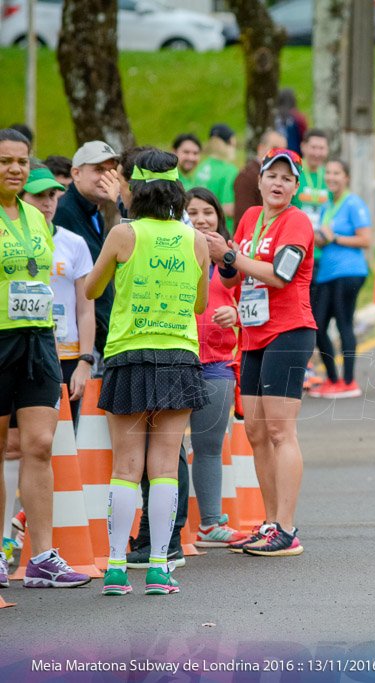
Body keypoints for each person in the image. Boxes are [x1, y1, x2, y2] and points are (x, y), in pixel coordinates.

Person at [85, 149, 210, 596]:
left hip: (129, 354)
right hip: (178, 355)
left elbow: (91, 288)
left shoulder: (123, 234)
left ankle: (116, 568)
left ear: (134, 190)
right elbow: (200, 304)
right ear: (178, 190)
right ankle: (160, 566)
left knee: (126, 466)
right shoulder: (194, 240)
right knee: (164, 468)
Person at [204, 147, 316, 557]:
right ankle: (270, 522)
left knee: (279, 431)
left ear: (296, 187)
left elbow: (282, 276)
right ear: (260, 180)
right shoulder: (249, 219)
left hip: (289, 330)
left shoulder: (297, 221)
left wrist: (231, 256)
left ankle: (286, 527)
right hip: (252, 333)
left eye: (288, 179)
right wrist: (224, 260)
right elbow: (235, 281)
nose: (278, 184)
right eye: (273, 175)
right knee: (255, 432)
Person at [0, 128, 92, 589]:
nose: (15, 169)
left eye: (21, 161)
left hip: (39, 341)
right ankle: (0, 553)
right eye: (5, 161)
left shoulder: (36, 220)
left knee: (39, 444)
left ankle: (41, 558)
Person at [184, 188, 248, 547]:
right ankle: (163, 526)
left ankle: (210, 525)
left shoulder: (232, 258)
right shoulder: (174, 250)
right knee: (165, 446)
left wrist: (236, 315)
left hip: (217, 363)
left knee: (208, 444)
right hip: (175, 360)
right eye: (192, 212)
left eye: (207, 212)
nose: (201, 218)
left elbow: (253, 303)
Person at [20, 167, 95, 427]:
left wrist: (85, 362)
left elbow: (86, 310)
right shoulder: (7, 241)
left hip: (67, 357)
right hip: (21, 350)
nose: (47, 203)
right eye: (38, 195)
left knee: (62, 441)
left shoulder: (74, 243)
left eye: (52, 195)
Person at [308, 159, 370, 399]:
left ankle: (349, 381)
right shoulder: (326, 206)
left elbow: (365, 239)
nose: (331, 177)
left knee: (344, 323)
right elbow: (325, 237)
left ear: (347, 177)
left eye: (337, 173)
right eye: (329, 173)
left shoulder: (354, 203)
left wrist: (335, 239)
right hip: (326, 273)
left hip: (349, 272)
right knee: (318, 326)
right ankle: (332, 379)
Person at [54, 141, 120, 359]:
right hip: (73, 344)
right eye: (98, 170)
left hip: (96, 336)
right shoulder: (63, 212)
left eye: (111, 170)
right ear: (76, 173)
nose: (107, 177)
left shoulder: (94, 214)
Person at [233, 130, 287, 227]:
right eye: (274, 148)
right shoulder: (248, 176)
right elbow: (243, 219)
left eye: (283, 150)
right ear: (261, 148)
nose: (279, 154)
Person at [194, 123, 238, 228]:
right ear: (230, 143)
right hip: (222, 229)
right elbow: (228, 208)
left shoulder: (201, 167)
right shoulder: (230, 170)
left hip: (199, 226)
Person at [293, 129, 330, 226]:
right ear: (303, 147)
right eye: (313, 147)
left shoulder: (330, 176)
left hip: (321, 237)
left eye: (321, 148)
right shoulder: (293, 172)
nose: (317, 153)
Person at [275, 88, 307, 155]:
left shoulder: (274, 116)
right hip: (295, 153)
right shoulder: (298, 117)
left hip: (276, 152)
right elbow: (304, 136)